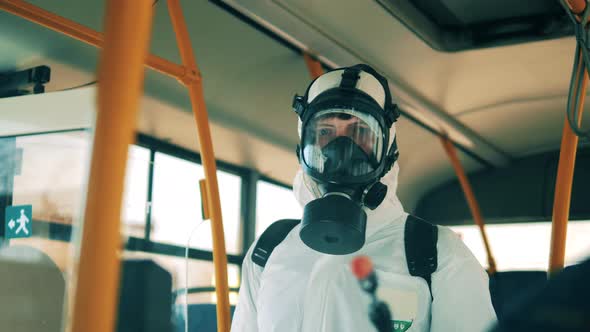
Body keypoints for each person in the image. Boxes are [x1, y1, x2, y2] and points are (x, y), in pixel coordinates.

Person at [231, 64, 497, 331]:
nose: (342, 150)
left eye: (360, 133)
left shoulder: (438, 254)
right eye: (325, 133)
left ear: (388, 149)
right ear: (304, 148)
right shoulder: (267, 251)